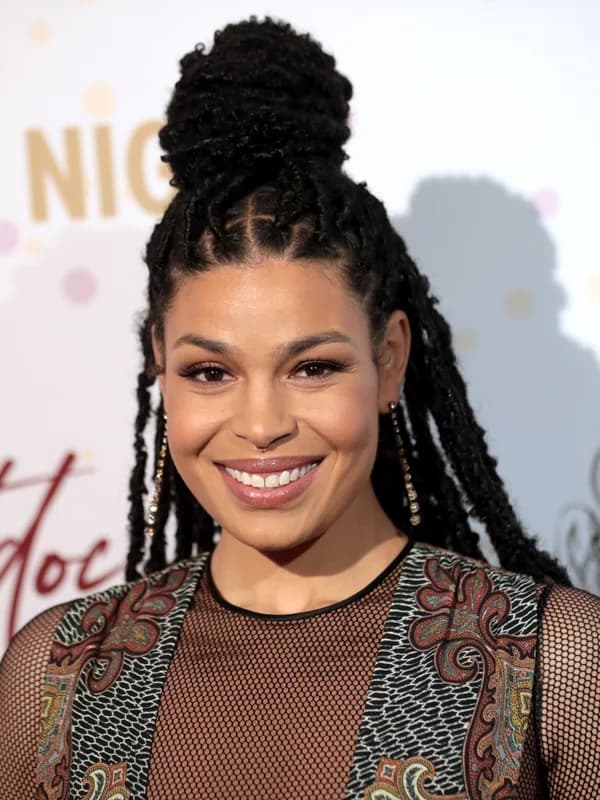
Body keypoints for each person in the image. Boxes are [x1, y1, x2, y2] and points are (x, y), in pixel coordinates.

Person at [1, 16, 599, 800]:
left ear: (389, 360)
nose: (260, 425)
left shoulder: (554, 662)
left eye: (312, 367)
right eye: (210, 372)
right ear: (160, 368)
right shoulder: (55, 672)